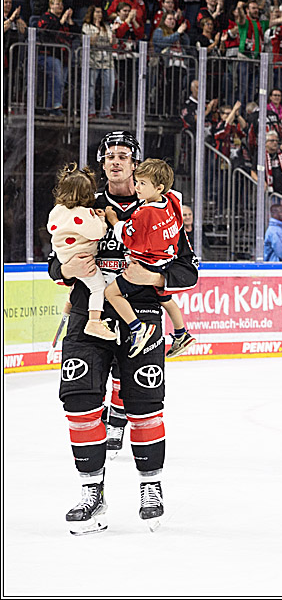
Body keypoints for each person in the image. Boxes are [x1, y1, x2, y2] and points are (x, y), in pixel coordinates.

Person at [49, 131, 198, 535]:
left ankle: (151, 488)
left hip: (142, 315)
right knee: (78, 402)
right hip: (89, 315)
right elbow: (56, 261)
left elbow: (188, 270)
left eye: (123, 156)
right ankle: (91, 492)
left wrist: (155, 276)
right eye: (109, 156)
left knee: (145, 405)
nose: (116, 161)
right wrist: (66, 270)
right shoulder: (83, 203)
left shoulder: (163, 205)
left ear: (135, 164)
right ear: (102, 164)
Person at [102, 158, 195, 359]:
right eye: (137, 182)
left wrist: (113, 219)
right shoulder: (171, 200)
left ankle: (137, 328)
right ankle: (181, 333)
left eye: (142, 183)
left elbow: (127, 238)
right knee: (166, 299)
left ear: (159, 188)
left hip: (147, 265)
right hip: (166, 261)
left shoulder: (144, 214)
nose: (137, 187)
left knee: (111, 293)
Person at [48, 164, 117, 341]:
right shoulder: (83, 214)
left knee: (80, 283)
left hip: (64, 255)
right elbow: (97, 233)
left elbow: (51, 227)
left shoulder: (58, 210)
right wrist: (101, 219)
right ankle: (94, 321)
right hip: (82, 257)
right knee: (98, 287)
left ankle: (68, 304)